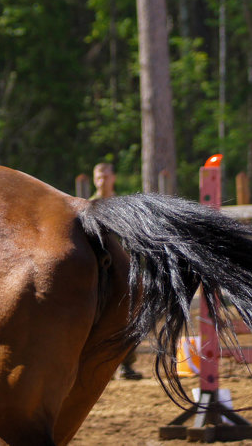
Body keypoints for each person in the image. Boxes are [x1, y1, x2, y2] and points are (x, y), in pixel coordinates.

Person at [88, 161, 141, 380]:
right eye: (98, 177)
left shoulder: (122, 206)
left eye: (106, 176)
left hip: (122, 270)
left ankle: (126, 365)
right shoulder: (89, 206)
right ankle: (95, 366)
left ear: (113, 178)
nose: (102, 181)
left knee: (129, 316)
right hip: (97, 271)